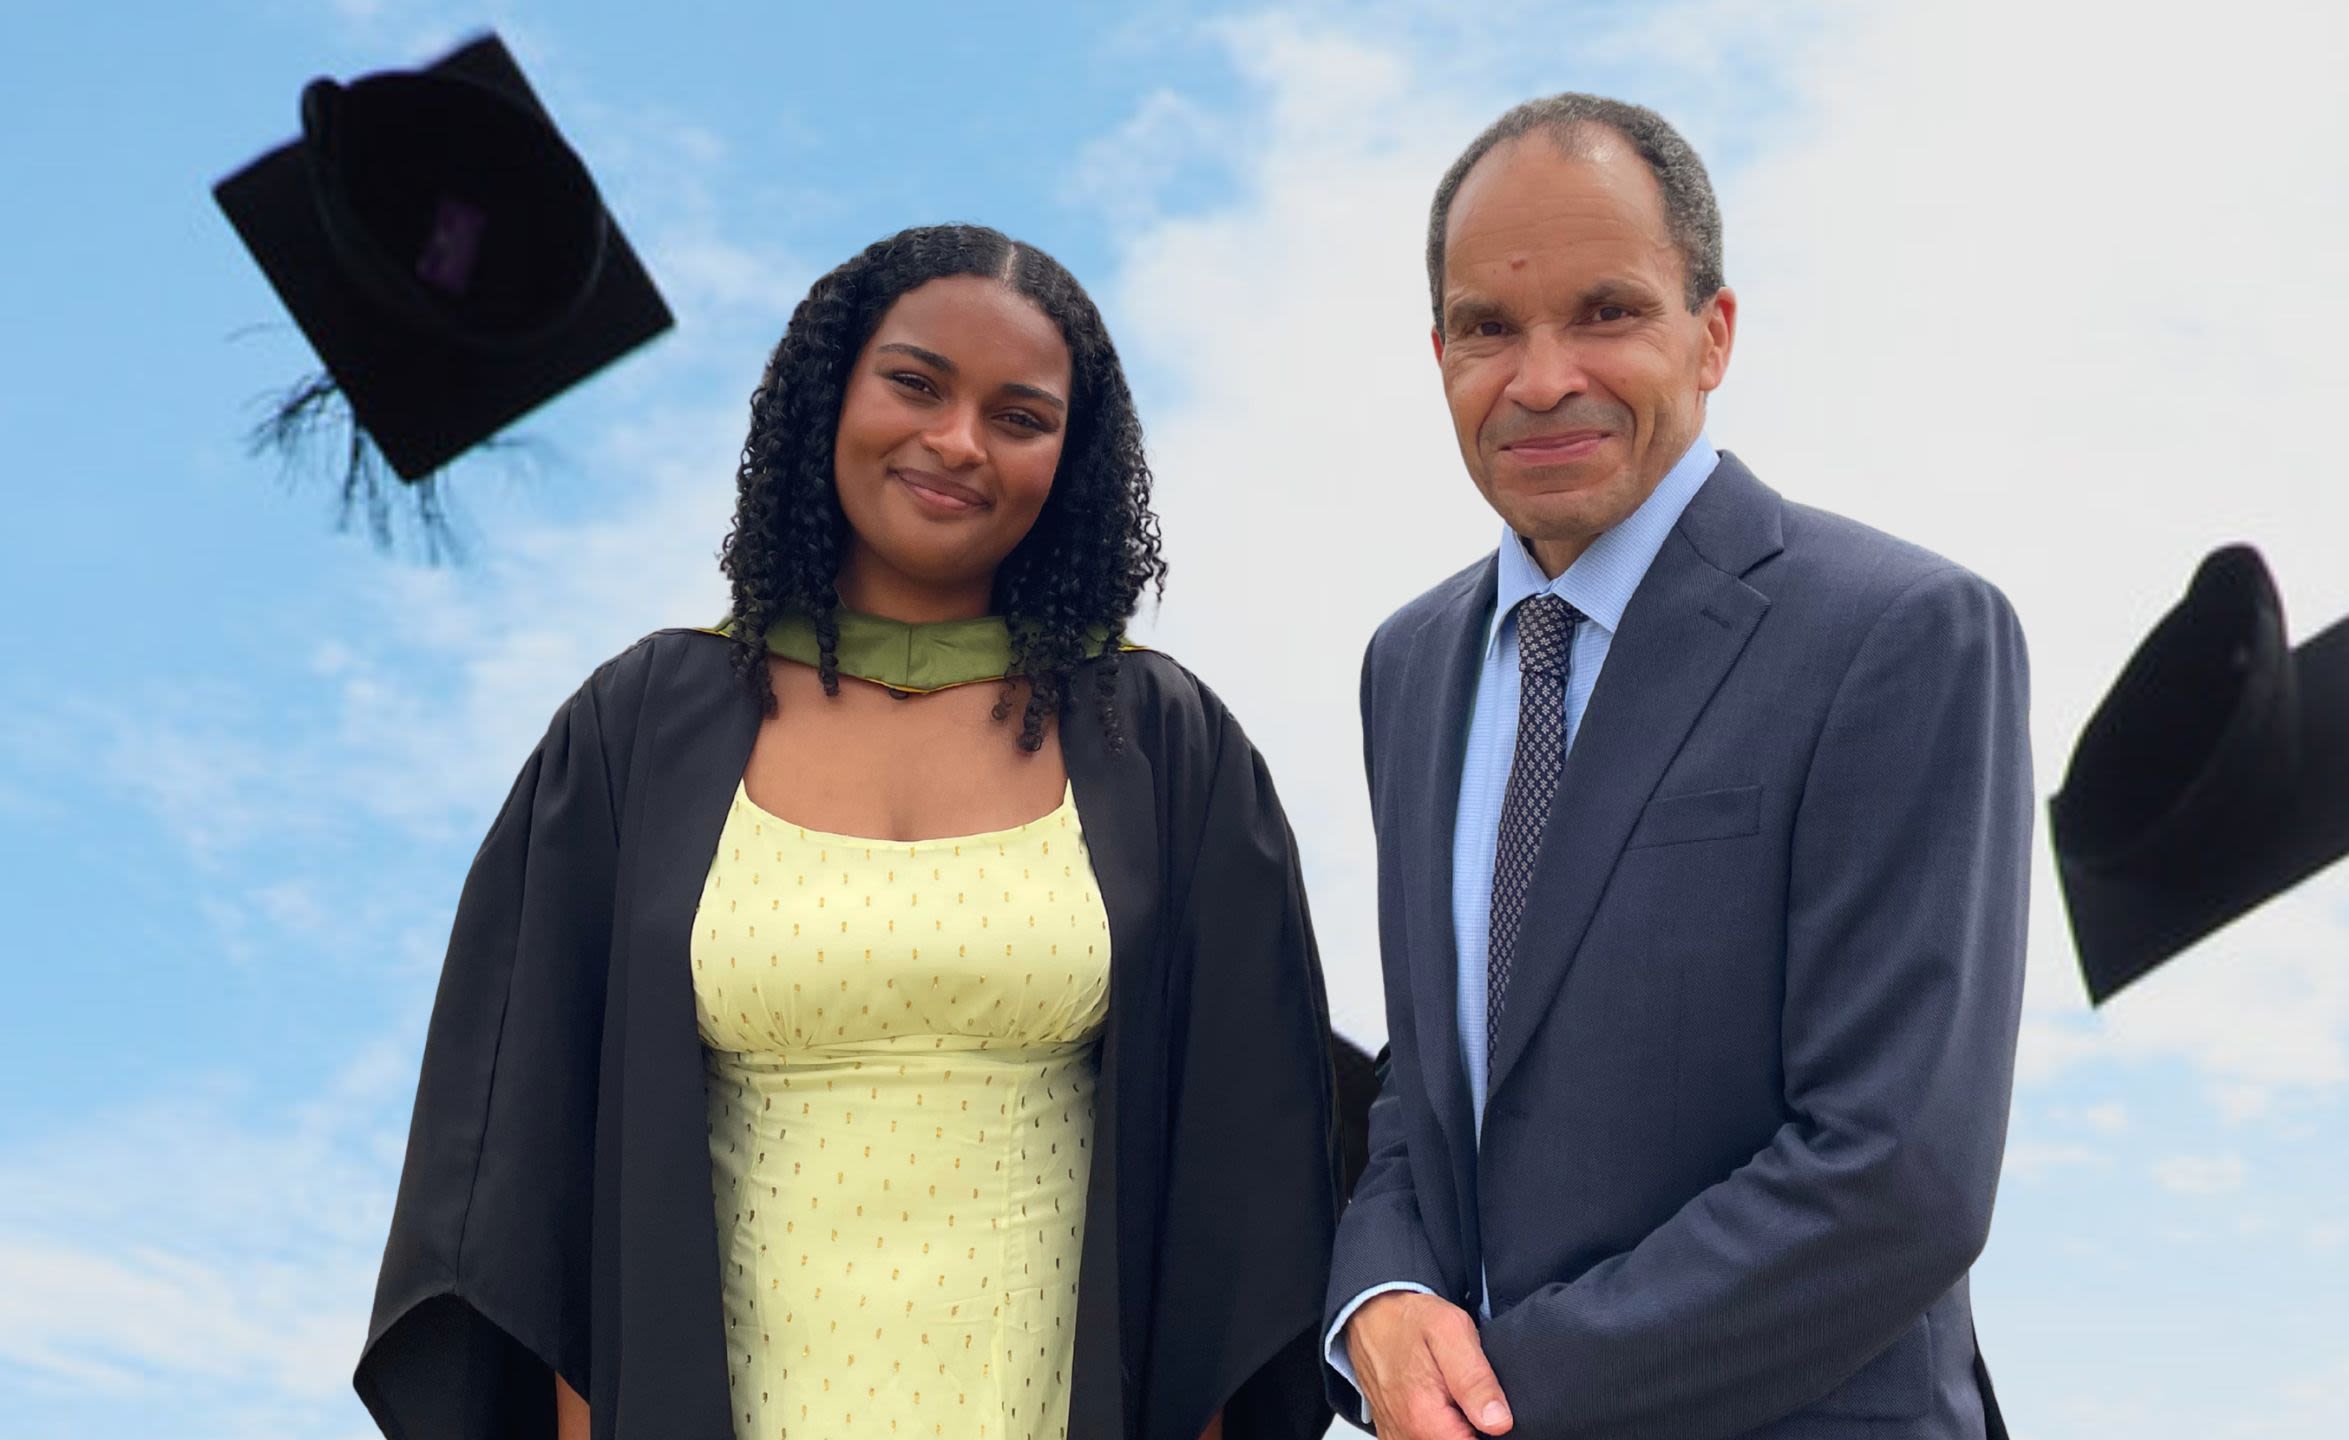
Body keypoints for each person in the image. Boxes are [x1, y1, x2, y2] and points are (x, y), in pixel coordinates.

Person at [353, 223, 1340, 1440]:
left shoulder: (1163, 746)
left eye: (1020, 417)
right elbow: (532, 1169)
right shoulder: (640, 728)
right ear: (831, 395)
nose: (957, 443)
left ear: (1069, 462)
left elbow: (1241, 1192)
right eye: (915, 384)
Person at [1324, 95, 2033, 1439]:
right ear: (1437, 355)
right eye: (1488, 328)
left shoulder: (1900, 633)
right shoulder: (1407, 667)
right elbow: (1433, 1085)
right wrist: (1384, 1297)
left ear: (1711, 336)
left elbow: (1898, 1175)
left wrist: (1494, 1397)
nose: (1541, 379)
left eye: (1606, 311)